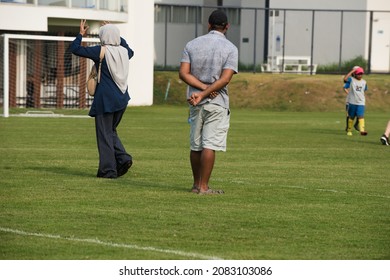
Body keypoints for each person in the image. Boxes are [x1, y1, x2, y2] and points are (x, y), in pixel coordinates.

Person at [179, 10, 238, 195]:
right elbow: (225, 79)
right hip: (217, 102)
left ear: (209, 24)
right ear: (227, 27)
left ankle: (196, 185)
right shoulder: (230, 48)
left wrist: (201, 91)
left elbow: (183, 73)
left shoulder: (192, 44)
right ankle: (204, 187)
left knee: (195, 145)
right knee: (209, 144)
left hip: (195, 101)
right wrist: (207, 91)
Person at [70, 20, 133, 178]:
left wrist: (80, 35)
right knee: (110, 132)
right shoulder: (126, 52)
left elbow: (75, 49)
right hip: (122, 98)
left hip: (105, 99)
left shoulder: (101, 51)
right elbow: (127, 47)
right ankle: (123, 159)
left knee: (104, 134)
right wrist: (117, 34)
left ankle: (108, 170)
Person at [343, 66, 368, 136]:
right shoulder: (351, 80)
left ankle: (362, 131)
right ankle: (349, 130)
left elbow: (364, 90)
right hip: (352, 102)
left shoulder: (364, 82)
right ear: (355, 74)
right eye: (358, 74)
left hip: (361, 102)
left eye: (361, 74)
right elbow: (345, 79)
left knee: (361, 116)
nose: (360, 75)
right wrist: (352, 71)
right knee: (351, 117)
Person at [343, 66, 359, 132]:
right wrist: (349, 94)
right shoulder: (350, 79)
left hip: (358, 100)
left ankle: (356, 125)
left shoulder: (360, 80)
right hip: (350, 100)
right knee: (349, 115)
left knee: (359, 113)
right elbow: (344, 87)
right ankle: (348, 127)